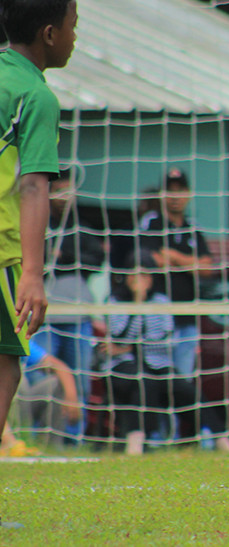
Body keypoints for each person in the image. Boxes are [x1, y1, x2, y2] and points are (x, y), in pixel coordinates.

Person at [0, 0, 81, 456]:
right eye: (75, 23)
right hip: (1, 248)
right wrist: (33, 273)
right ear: (50, 33)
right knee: (7, 360)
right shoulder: (36, 95)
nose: (76, 36)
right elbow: (33, 186)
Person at [104, 251, 229, 456]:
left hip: (158, 363)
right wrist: (137, 304)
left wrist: (131, 345)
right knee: (144, 381)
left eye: (144, 275)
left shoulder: (161, 301)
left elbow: (165, 339)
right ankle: (136, 442)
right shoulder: (115, 301)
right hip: (124, 365)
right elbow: (117, 333)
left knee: (186, 389)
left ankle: (221, 439)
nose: (139, 280)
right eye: (134, 275)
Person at [32, 169, 105, 438]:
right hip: (45, 317)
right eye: (59, 189)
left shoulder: (82, 227)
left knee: (80, 381)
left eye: (69, 190)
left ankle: (75, 439)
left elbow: (96, 258)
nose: (65, 196)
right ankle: (40, 437)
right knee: (44, 379)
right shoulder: (38, 224)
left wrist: (64, 258)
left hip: (78, 318)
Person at [138, 167, 214, 377]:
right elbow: (153, 261)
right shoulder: (152, 222)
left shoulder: (193, 227)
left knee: (184, 381)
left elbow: (207, 268)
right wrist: (190, 263)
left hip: (187, 315)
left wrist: (174, 256)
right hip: (157, 317)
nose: (174, 197)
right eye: (170, 190)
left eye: (180, 190)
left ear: (188, 193)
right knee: (157, 379)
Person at [16, 339, 83, 447]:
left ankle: (49, 446)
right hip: (9, 403)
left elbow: (60, 367)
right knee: (19, 382)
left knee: (57, 383)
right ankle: (18, 441)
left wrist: (72, 399)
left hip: (23, 402)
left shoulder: (15, 340)